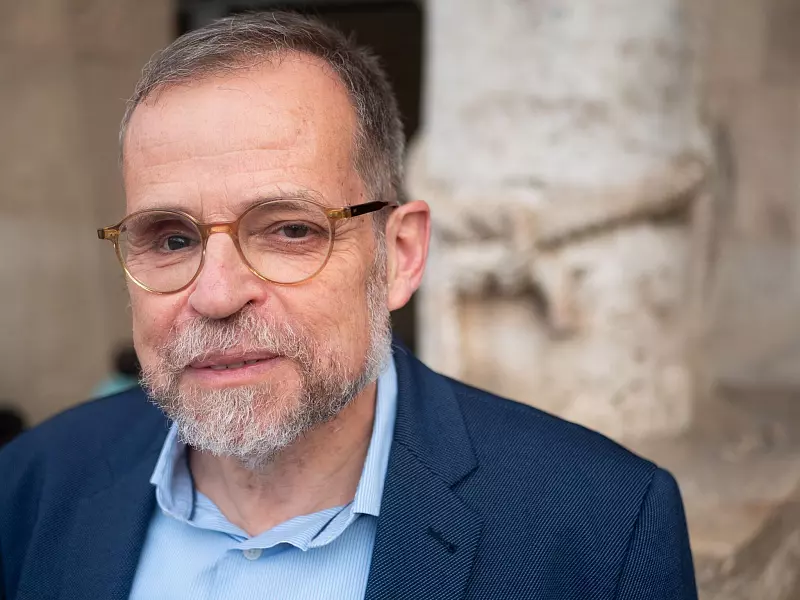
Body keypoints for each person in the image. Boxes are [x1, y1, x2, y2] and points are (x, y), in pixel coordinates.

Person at [0, 12, 697, 600]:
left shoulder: (600, 529)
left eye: (289, 230)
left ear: (400, 255)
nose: (215, 295)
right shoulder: (34, 483)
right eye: (171, 238)